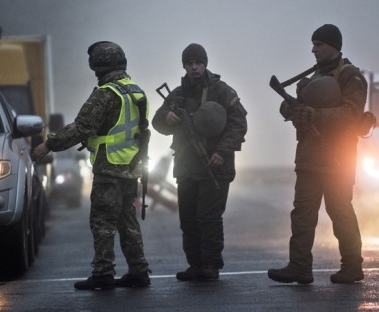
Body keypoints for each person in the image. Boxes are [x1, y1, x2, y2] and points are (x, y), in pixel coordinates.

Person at [32, 41, 151, 290]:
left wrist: (48, 145)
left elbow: (81, 127)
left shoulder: (106, 93)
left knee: (102, 222)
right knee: (127, 221)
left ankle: (103, 273)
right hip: (131, 168)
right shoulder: (136, 91)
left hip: (109, 168)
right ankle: (139, 271)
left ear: (98, 65)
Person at [267, 24, 367, 284]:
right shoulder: (313, 78)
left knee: (340, 212)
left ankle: (352, 267)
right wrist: (292, 110)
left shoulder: (351, 77)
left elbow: (351, 114)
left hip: (337, 158)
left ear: (334, 46)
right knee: (302, 214)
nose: (313, 49)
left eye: (319, 44)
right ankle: (299, 266)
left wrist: (316, 114)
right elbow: (295, 107)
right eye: (313, 44)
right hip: (309, 157)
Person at [152, 43, 248, 281]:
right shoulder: (177, 95)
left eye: (198, 63)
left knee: (209, 217)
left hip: (215, 166)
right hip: (187, 167)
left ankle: (211, 265)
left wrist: (222, 151)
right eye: (189, 63)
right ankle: (195, 265)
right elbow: (157, 122)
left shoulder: (221, 91)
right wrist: (168, 117)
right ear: (184, 66)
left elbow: (239, 123)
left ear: (205, 64)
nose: (194, 67)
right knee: (188, 218)